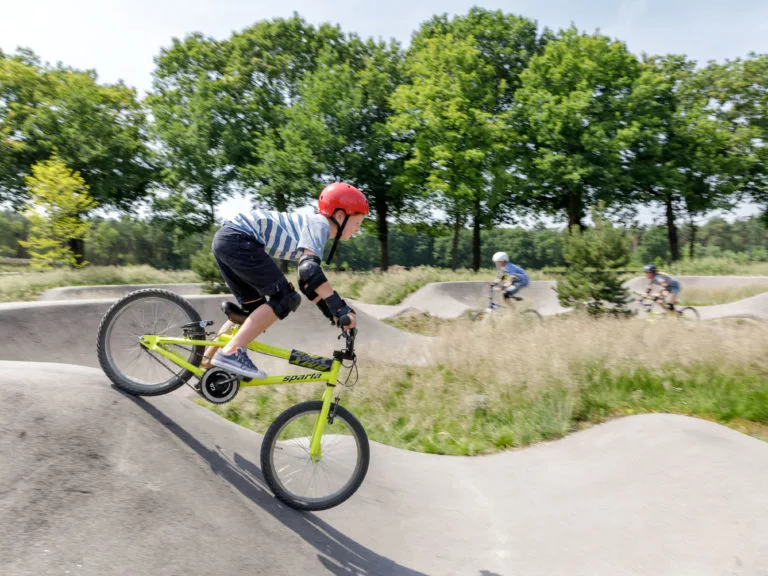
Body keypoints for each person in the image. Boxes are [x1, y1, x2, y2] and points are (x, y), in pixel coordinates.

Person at [201, 182, 368, 379]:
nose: (358, 229)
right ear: (340, 216)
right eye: (357, 223)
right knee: (285, 299)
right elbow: (310, 271)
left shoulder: (309, 228)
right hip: (239, 239)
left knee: (255, 314)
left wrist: (331, 314)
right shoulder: (320, 224)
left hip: (227, 239)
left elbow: (307, 284)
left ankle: (206, 363)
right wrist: (341, 308)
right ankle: (231, 352)